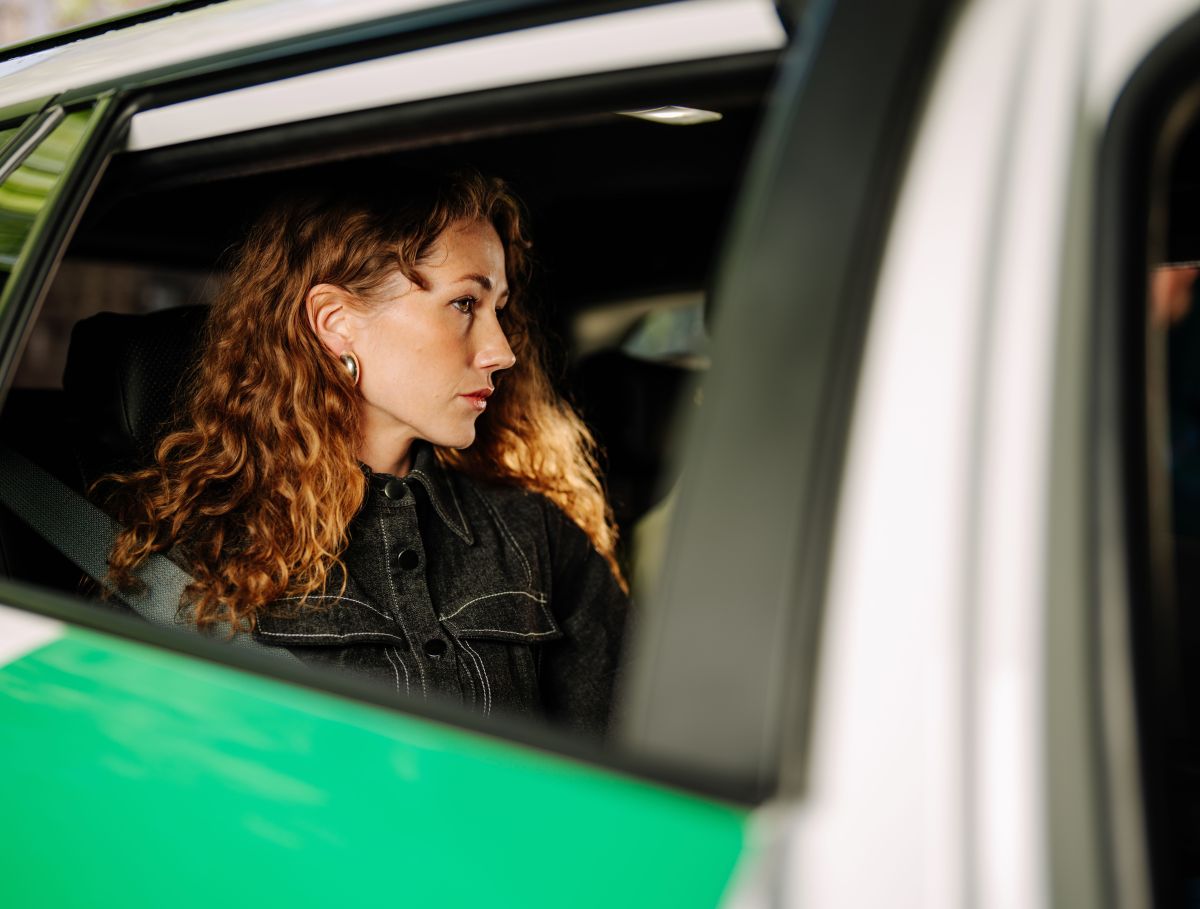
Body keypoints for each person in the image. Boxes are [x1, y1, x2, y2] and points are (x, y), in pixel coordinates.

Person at [98, 169, 628, 736]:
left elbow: (634, 761)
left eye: (499, 308)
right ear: (336, 323)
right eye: (464, 303)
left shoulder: (535, 534)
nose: (501, 351)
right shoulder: (196, 554)